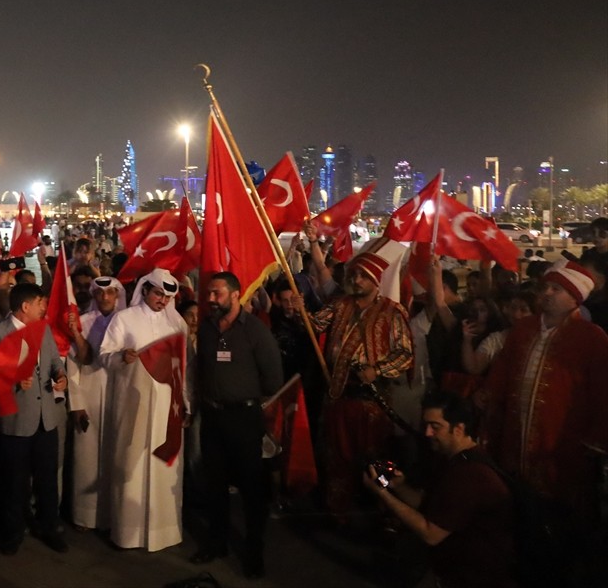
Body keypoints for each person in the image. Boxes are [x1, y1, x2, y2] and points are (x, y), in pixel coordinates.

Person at [482, 260, 608, 528]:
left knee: (560, 515)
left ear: (575, 297)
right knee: (518, 508)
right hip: (515, 438)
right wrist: (488, 397)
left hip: (564, 444)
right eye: (545, 288)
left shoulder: (592, 338)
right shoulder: (524, 328)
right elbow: (503, 369)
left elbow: (602, 392)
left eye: (556, 289)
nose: (546, 294)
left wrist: (596, 440)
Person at [292, 248, 413, 517]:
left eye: (363, 276)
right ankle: (338, 510)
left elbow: (405, 354)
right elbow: (314, 327)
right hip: (338, 395)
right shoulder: (340, 304)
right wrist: (301, 312)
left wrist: (377, 369)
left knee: (378, 459)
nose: (357, 280)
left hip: (373, 402)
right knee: (337, 456)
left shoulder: (392, 311)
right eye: (354, 274)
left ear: (375, 280)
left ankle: (385, 508)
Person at [364, 392, 516, 588]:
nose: (427, 433)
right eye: (426, 425)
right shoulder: (457, 461)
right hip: (452, 570)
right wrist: (394, 486)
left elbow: (430, 533)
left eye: (435, 427)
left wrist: (381, 494)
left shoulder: (471, 474)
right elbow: (427, 506)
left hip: (472, 579)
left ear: (459, 429)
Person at [191, 272, 283, 578]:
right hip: (212, 417)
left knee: (251, 486)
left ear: (235, 294)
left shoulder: (255, 330)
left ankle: (254, 550)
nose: (211, 299)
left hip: (243, 419)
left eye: (217, 294)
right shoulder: (206, 328)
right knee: (214, 483)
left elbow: (273, 379)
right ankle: (216, 542)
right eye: (209, 294)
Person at [98, 267, 188, 552]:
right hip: (132, 404)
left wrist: (186, 402)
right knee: (131, 465)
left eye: (167, 296)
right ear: (145, 290)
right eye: (158, 293)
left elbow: (185, 368)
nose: (162, 300)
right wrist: (121, 358)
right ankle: (128, 533)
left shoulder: (178, 325)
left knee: (164, 469)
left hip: (167, 408)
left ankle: (164, 532)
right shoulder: (124, 319)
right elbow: (104, 356)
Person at [0, 282, 69, 555]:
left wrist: (61, 377)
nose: (45, 308)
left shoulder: (43, 330)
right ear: (25, 307)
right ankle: (12, 531)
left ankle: (49, 526)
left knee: (47, 478)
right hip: (16, 421)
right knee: (14, 482)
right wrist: (14, 382)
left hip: (47, 419)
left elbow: (55, 362)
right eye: (40, 303)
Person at [67, 276, 124, 531]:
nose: (105, 298)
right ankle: (85, 516)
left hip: (117, 397)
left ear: (117, 295)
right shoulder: (83, 323)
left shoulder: (126, 323)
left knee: (116, 457)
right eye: (100, 293)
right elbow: (73, 366)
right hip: (88, 396)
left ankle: (115, 515)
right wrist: (76, 403)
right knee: (87, 458)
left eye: (110, 293)